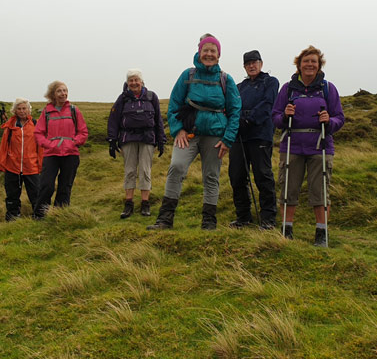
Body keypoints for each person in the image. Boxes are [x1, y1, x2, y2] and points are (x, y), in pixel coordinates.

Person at [147, 34, 241, 230]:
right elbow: (173, 105)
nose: (208, 54)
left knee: (211, 176)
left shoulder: (225, 79)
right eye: (205, 50)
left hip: (215, 136)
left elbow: (235, 111)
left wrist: (228, 140)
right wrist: (177, 129)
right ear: (199, 52)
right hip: (188, 134)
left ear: (218, 54)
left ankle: (209, 222)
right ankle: (165, 219)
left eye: (212, 51)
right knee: (177, 167)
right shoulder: (187, 76)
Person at [272, 46, 345, 244]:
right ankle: (286, 231)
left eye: (314, 61)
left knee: (320, 190)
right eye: (306, 61)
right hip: (292, 145)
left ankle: (322, 234)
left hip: (320, 146)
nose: (310, 65)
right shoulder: (288, 89)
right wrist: (284, 115)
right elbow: (275, 117)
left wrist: (329, 120)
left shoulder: (328, 88)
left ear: (319, 65)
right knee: (288, 189)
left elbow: (339, 118)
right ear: (299, 65)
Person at [228, 50, 279, 229]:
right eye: (248, 63)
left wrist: (248, 118)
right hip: (239, 137)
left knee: (263, 176)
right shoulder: (239, 87)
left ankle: (268, 219)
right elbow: (232, 107)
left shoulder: (270, 82)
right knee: (237, 176)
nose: (251, 66)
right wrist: (237, 121)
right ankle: (243, 216)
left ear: (261, 63)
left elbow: (267, 105)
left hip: (260, 136)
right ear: (244, 66)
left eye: (254, 62)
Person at [108, 69, 166, 218]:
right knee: (130, 171)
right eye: (131, 80)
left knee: (145, 171)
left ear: (141, 81)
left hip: (147, 138)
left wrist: (161, 140)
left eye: (136, 80)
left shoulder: (151, 97)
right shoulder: (122, 99)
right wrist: (112, 140)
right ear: (127, 83)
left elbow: (158, 119)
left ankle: (145, 204)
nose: (134, 83)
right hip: (128, 139)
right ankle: (128, 204)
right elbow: (113, 119)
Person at [33, 81, 89, 219]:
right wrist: (48, 144)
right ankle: (39, 215)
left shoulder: (74, 110)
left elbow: (83, 132)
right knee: (46, 185)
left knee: (65, 186)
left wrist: (73, 143)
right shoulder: (46, 112)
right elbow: (38, 133)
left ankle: (59, 215)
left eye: (65, 90)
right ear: (53, 94)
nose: (63, 93)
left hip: (71, 154)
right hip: (51, 154)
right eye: (59, 91)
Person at [0, 98, 43, 221]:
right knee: (12, 195)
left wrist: (41, 164)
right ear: (15, 111)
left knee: (36, 194)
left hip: (31, 166)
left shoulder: (36, 125)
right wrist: (2, 163)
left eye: (24, 108)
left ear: (29, 110)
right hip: (13, 167)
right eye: (19, 109)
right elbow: (4, 146)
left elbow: (41, 147)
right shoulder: (10, 126)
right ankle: (12, 218)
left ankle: (39, 217)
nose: (22, 111)